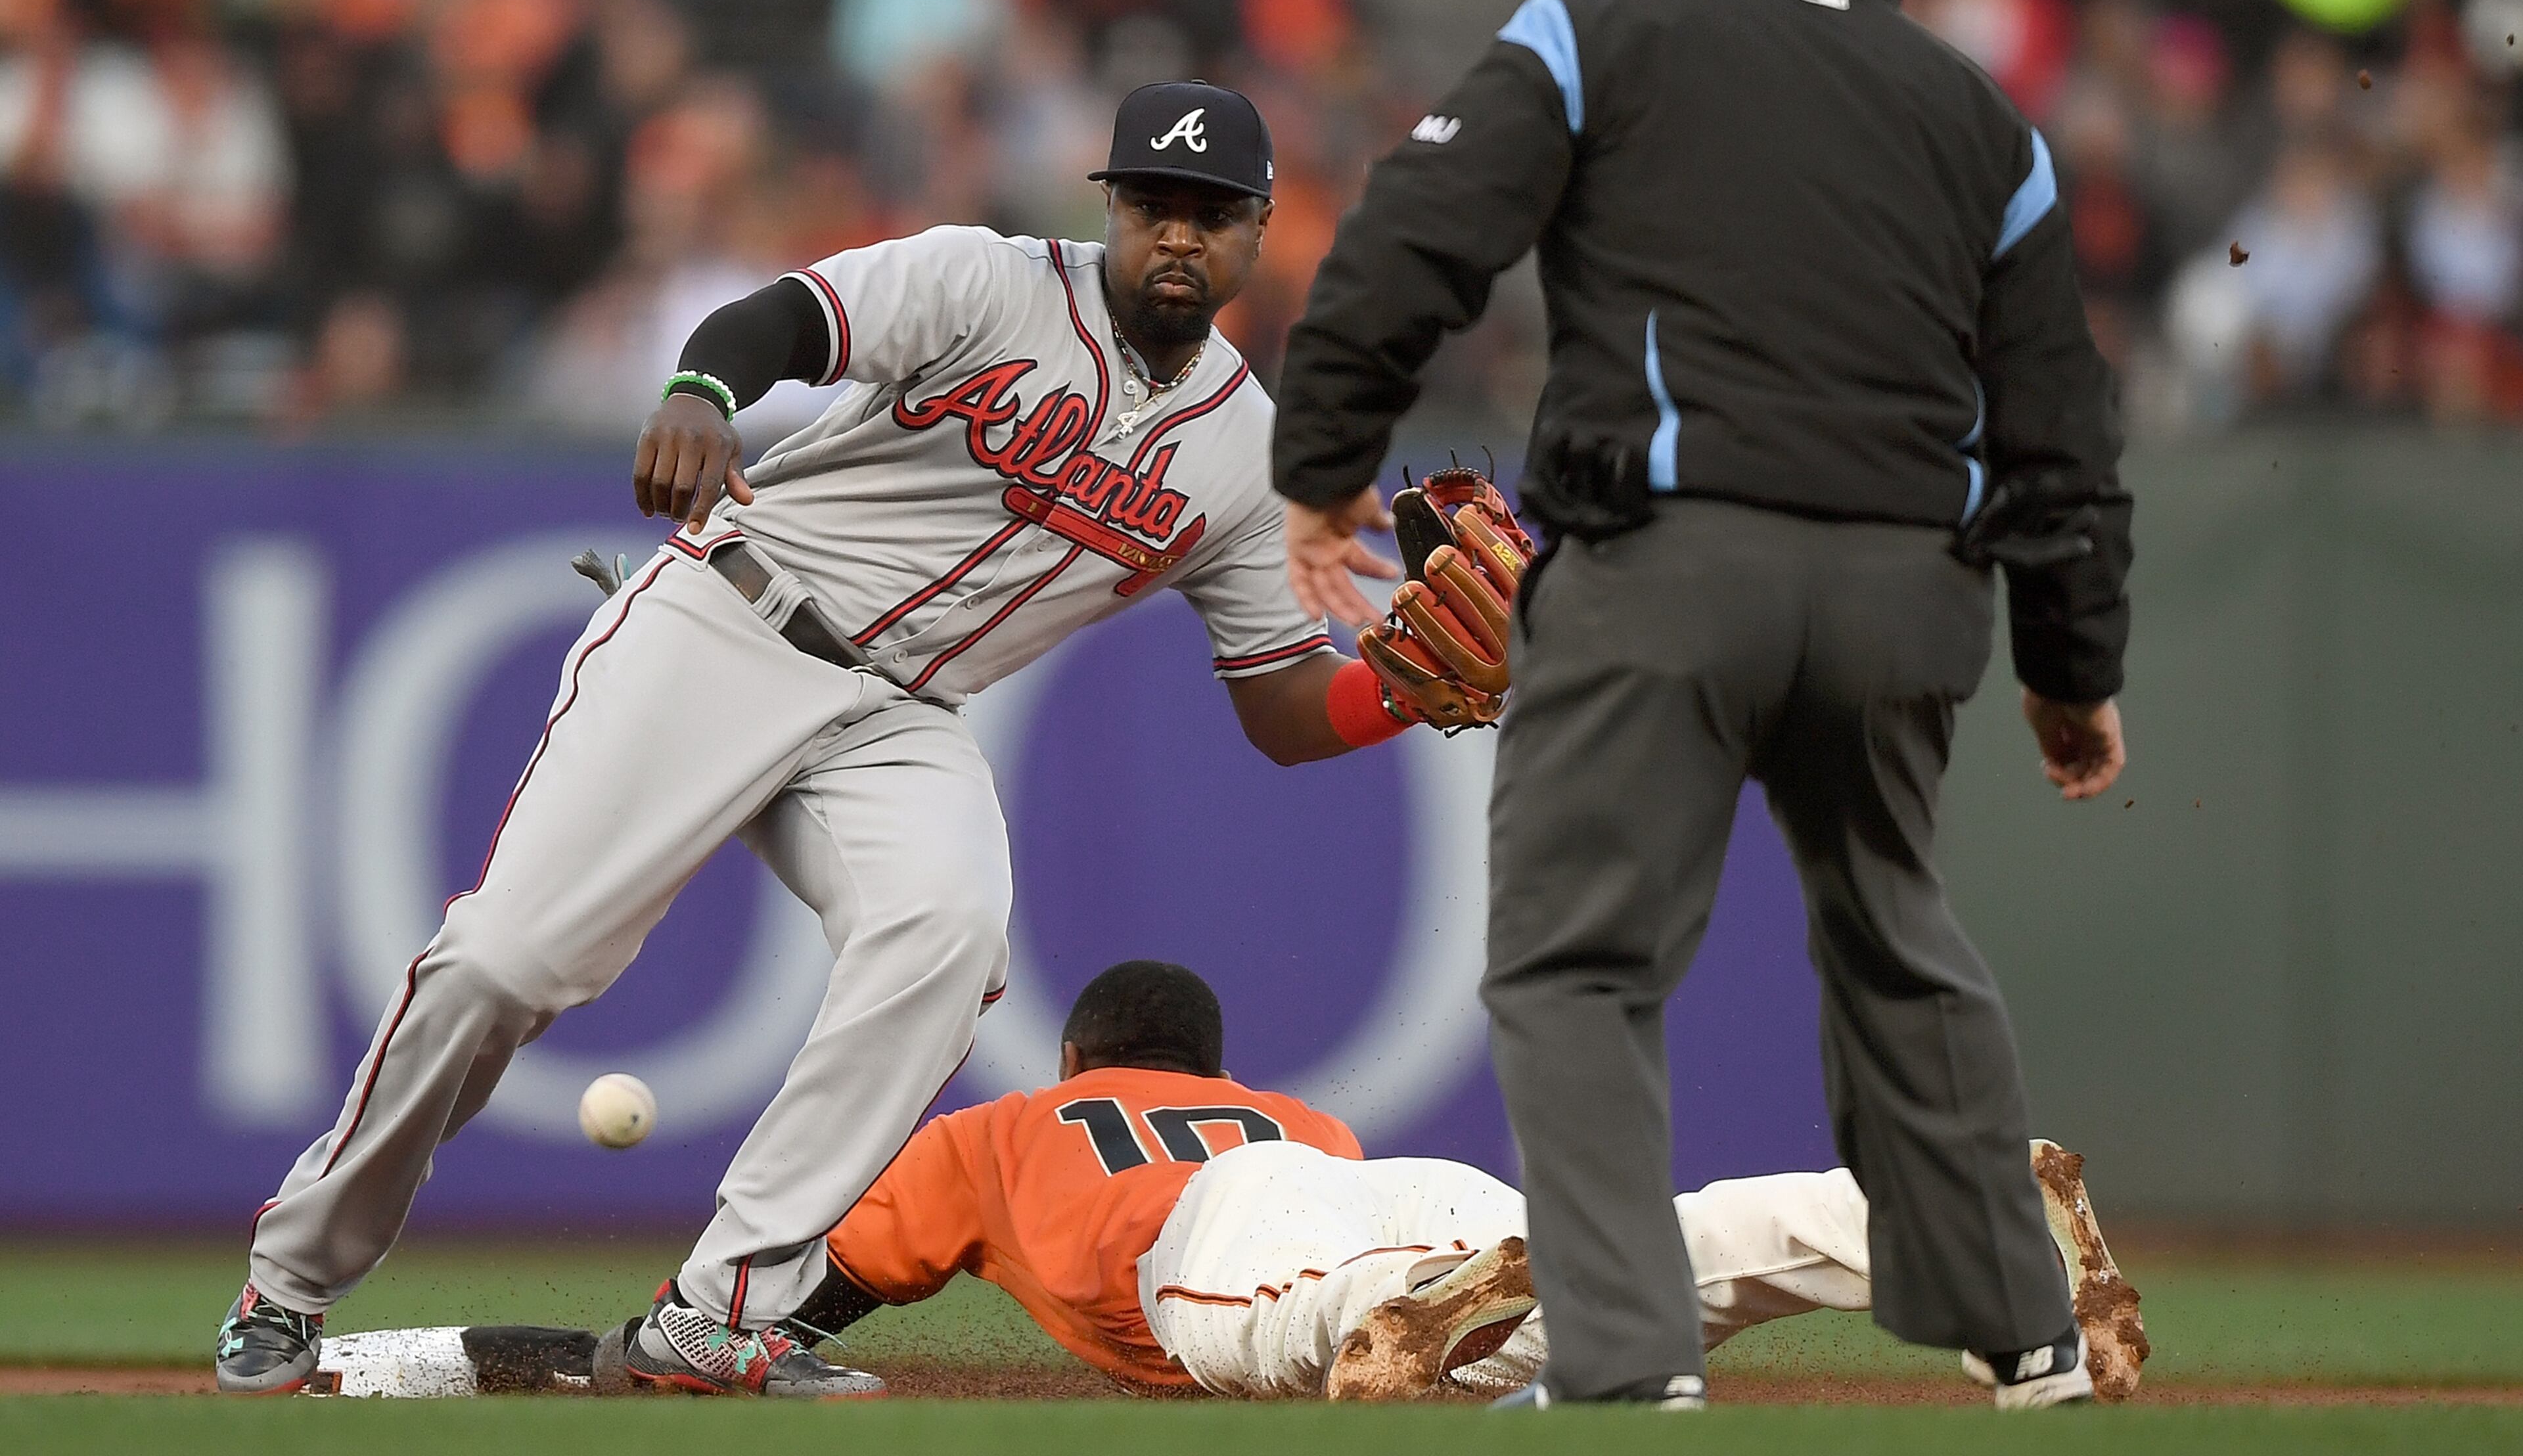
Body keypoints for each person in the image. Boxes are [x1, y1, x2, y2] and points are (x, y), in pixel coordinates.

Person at [216, 83, 1491, 1398]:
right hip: (732, 623)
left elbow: (1280, 701)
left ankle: (721, 1313)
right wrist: (705, 388)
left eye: (1212, 215)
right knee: (505, 963)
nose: (1180, 237)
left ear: (1260, 231)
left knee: (948, 937)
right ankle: (289, 1283)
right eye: (1154, 206)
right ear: (1109, 209)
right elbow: (785, 319)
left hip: (900, 717)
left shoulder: (1245, 452)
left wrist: (1403, 690)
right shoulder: (984, 281)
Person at [1271, 0, 2134, 1413]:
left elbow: (1410, 241)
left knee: (1579, 964)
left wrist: (1322, 466)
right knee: (1895, 937)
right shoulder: (1984, 120)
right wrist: (2072, 663)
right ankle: (2030, 1339)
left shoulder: (1597, 36)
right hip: (1905, 595)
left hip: (1668, 568)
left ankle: (1624, 1363)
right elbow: (2064, 426)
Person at [303, 961, 2147, 1404]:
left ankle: (1496, 1333)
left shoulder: (1000, 1132)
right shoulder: (1292, 1109)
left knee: (1319, 1330)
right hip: (1410, 1188)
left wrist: (622, 1346)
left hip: (1230, 1253)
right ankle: (1965, 1237)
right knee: (1665, 1249)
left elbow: (814, 1302)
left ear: (1090, 1060)